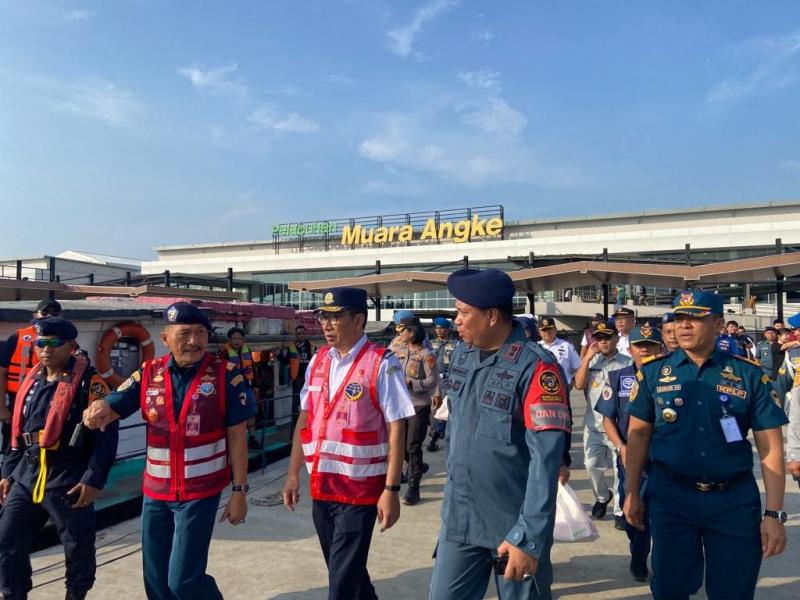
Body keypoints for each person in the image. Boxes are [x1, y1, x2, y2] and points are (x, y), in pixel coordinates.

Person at [83, 302, 255, 600]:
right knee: (156, 582)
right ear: (165, 338)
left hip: (200, 493)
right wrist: (99, 408)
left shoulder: (225, 374)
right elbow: (114, 404)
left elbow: (237, 435)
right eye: (185, 332)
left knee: (184, 581)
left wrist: (239, 491)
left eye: (201, 332)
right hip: (156, 492)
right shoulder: (149, 373)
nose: (194, 341)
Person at [624, 290, 788, 600]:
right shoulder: (654, 372)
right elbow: (638, 435)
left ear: (717, 324)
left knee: (733, 590)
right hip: (672, 497)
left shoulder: (749, 375)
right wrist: (632, 492)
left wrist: (774, 514)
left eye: (695, 319)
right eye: (680, 319)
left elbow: (771, 448)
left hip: (733, 501)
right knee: (670, 588)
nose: (684, 326)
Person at [429, 269, 571, 600]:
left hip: (512, 523)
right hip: (460, 521)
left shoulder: (537, 367)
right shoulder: (462, 354)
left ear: (492, 316)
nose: (456, 321)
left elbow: (545, 461)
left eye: (464, 312)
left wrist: (529, 534)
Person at [282, 288, 415, 600]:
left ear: (359, 320)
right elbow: (305, 419)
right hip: (322, 488)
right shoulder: (316, 362)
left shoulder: (381, 363)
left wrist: (391, 490)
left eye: (336, 316)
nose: (327, 324)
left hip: (359, 492)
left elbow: (397, 427)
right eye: (323, 316)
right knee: (345, 569)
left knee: (340, 583)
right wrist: (292, 474)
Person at [0, 316, 118, 600]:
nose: (46, 349)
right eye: (42, 342)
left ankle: (75, 595)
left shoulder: (90, 384)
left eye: (54, 343)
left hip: (68, 477)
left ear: (71, 345)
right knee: (6, 540)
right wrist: (7, 473)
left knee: (76, 548)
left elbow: (107, 436)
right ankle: (12, 592)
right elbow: (18, 433)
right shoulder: (34, 380)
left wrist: (94, 479)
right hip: (27, 477)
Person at [594, 325, 662, 580]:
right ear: (630, 348)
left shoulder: (674, 379)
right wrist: (621, 447)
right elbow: (608, 419)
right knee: (635, 515)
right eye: (639, 345)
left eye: (650, 344)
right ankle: (638, 557)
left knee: (667, 517)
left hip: (666, 461)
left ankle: (664, 561)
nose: (644, 349)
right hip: (633, 462)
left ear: (660, 348)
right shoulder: (618, 378)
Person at [574, 321, 632, 521]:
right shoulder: (591, 362)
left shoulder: (627, 362)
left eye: (607, 337)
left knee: (620, 471)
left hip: (617, 427)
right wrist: (587, 358)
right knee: (591, 466)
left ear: (616, 338)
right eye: (599, 338)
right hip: (593, 425)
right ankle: (602, 496)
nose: (603, 342)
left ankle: (619, 510)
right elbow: (579, 385)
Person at [0, 299, 63, 454]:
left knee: (45, 451)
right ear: (35, 314)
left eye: (55, 314)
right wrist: (1, 408)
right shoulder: (18, 337)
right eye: (45, 312)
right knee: (12, 449)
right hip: (17, 404)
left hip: (49, 404)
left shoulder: (67, 342)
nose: (49, 316)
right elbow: (0, 372)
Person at [394, 317, 438, 505]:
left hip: (418, 405)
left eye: (403, 330)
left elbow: (432, 381)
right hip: (400, 405)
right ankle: (418, 466)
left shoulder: (426, 354)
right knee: (401, 445)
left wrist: (413, 383)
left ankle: (414, 488)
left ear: (411, 332)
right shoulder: (398, 352)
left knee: (412, 445)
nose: (400, 334)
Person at [219, 327, 260, 449]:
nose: (237, 341)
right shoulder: (224, 354)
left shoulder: (247, 350)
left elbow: (252, 367)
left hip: (247, 386)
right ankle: (237, 441)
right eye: (234, 338)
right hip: (233, 390)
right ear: (229, 340)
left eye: (239, 338)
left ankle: (252, 438)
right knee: (238, 415)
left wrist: (256, 385)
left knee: (251, 412)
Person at [428, 317, 457, 452]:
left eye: (442, 328)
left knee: (442, 409)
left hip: (446, 381)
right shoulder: (430, 343)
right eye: (437, 328)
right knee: (433, 409)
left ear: (448, 329)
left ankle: (435, 437)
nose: (439, 330)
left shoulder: (455, 344)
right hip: (432, 380)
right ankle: (434, 432)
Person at [288, 325, 315, 435]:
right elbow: (286, 361)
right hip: (297, 379)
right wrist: (278, 355)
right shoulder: (292, 347)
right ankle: (294, 431)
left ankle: (310, 427)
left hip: (309, 380)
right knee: (295, 405)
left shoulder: (311, 346)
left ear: (305, 334)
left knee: (309, 404)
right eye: (298, 333)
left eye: (302, 333)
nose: (300, 335)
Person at [537, 317, 580, 386]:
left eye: (550, 329)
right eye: (544, 330)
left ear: (555, 330)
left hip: (563, 389)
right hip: (541, 389)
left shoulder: (566, 345)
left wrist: (572, 382)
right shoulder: (536, 347)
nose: (547, 332)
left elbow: (578, 367)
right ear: (540, 332)